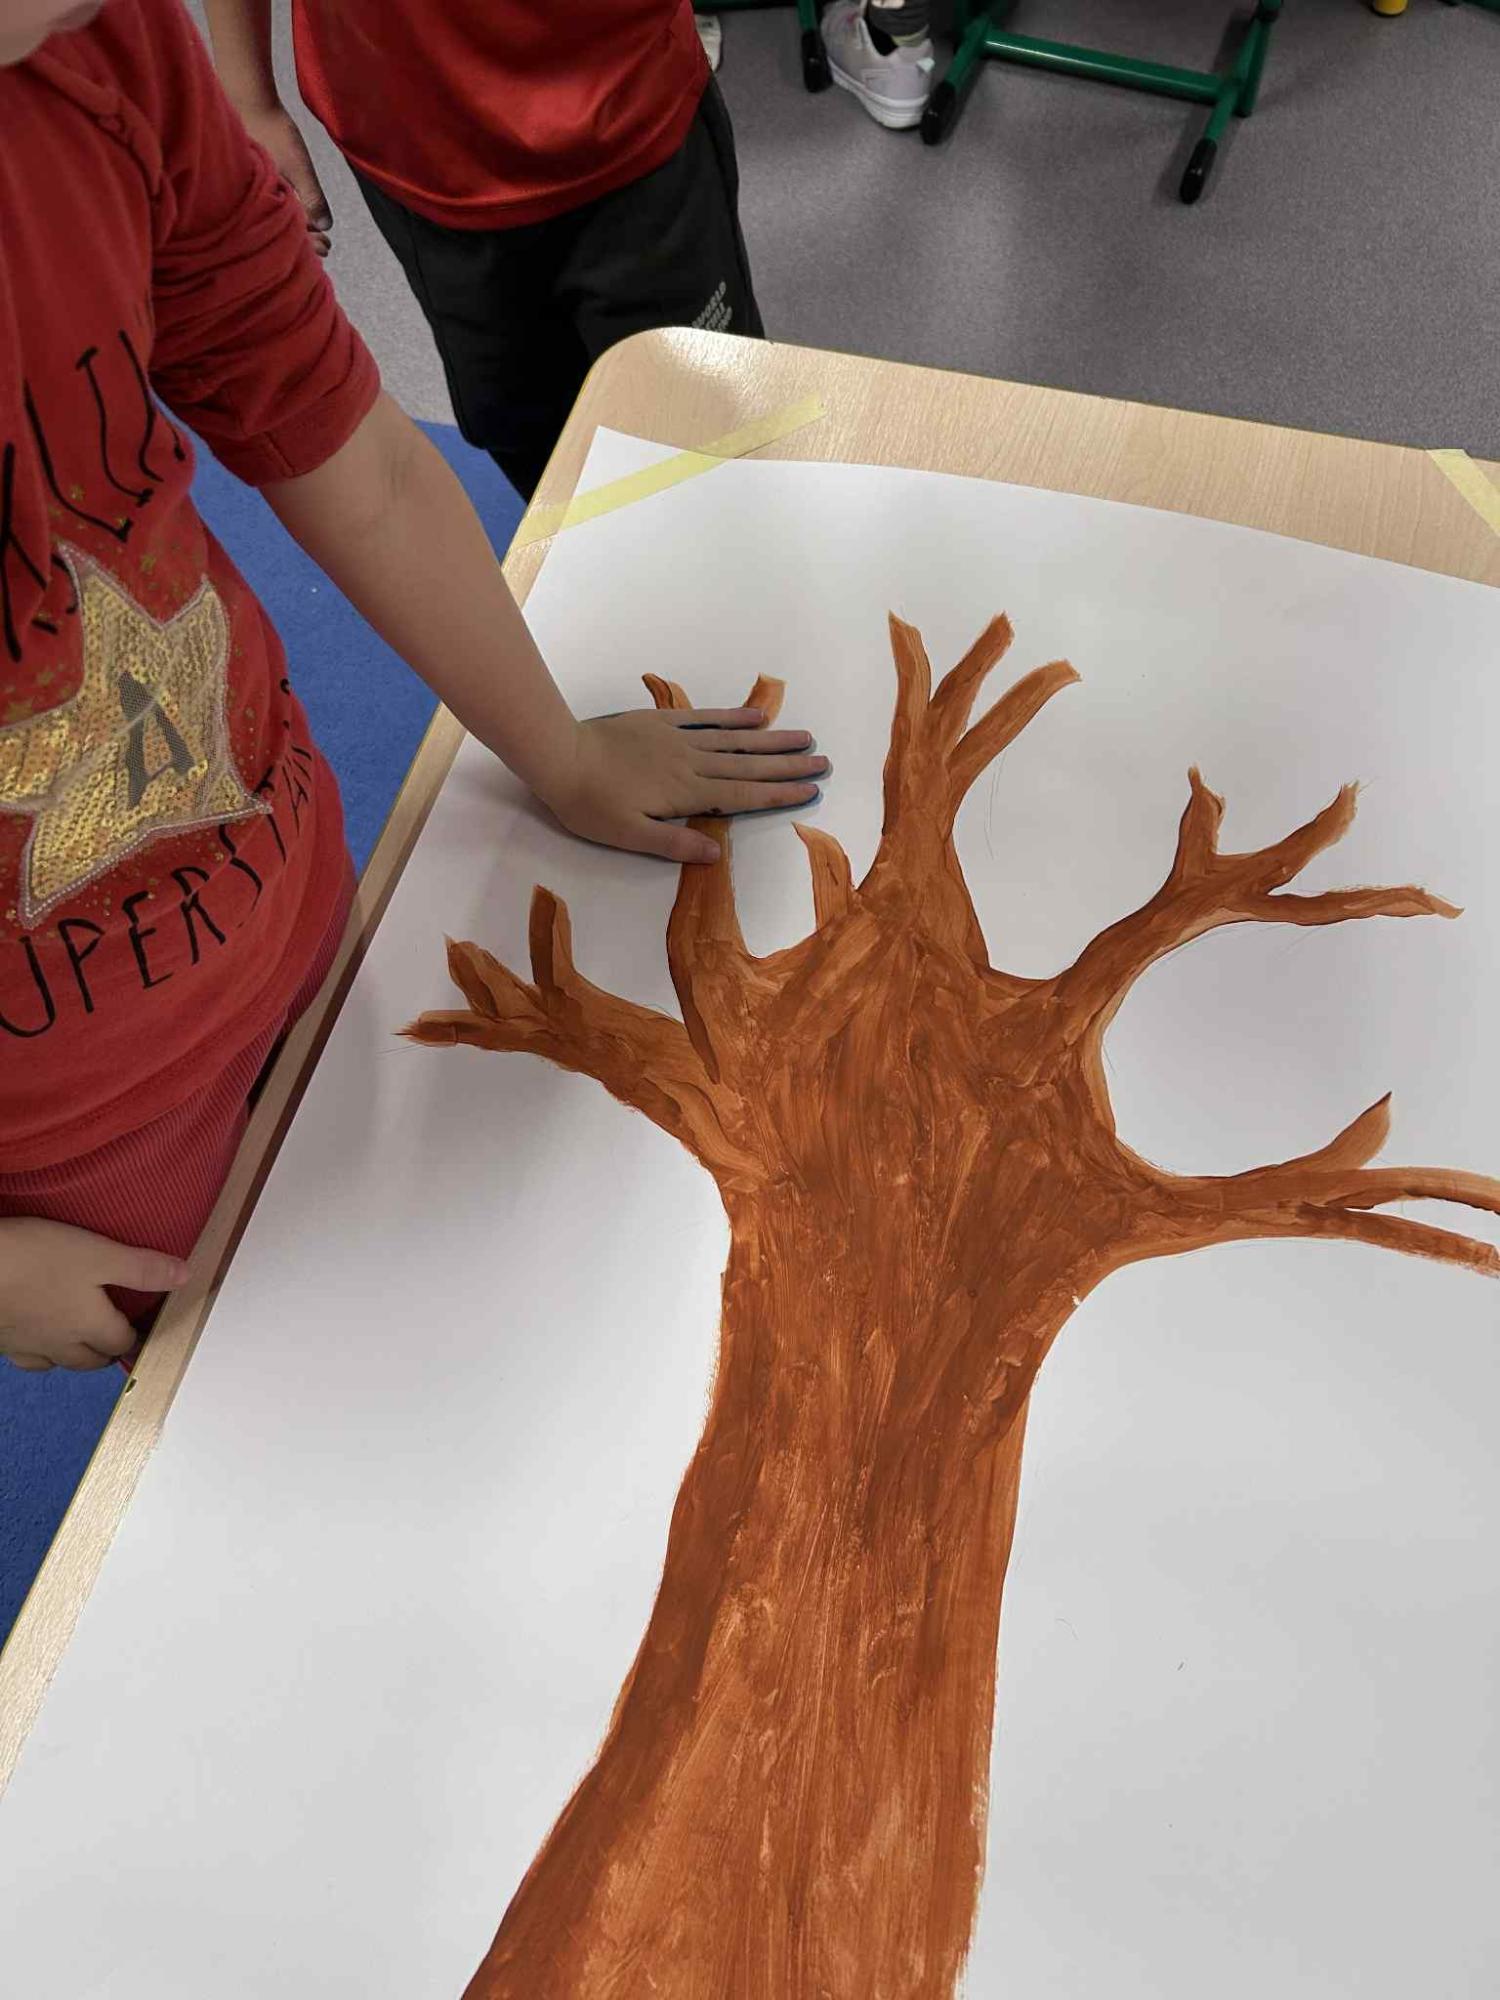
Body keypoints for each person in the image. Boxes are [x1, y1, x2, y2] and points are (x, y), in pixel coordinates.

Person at [0, 0, 826, 1373]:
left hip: (284, 898)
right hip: (80, 1150)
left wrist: (561, 752)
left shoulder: (104, 51)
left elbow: (358, 454)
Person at [203, 0, 764, 500]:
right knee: (527, 431)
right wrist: (250, 101)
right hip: (414, 145)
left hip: (623, 113)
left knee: (704, 435)